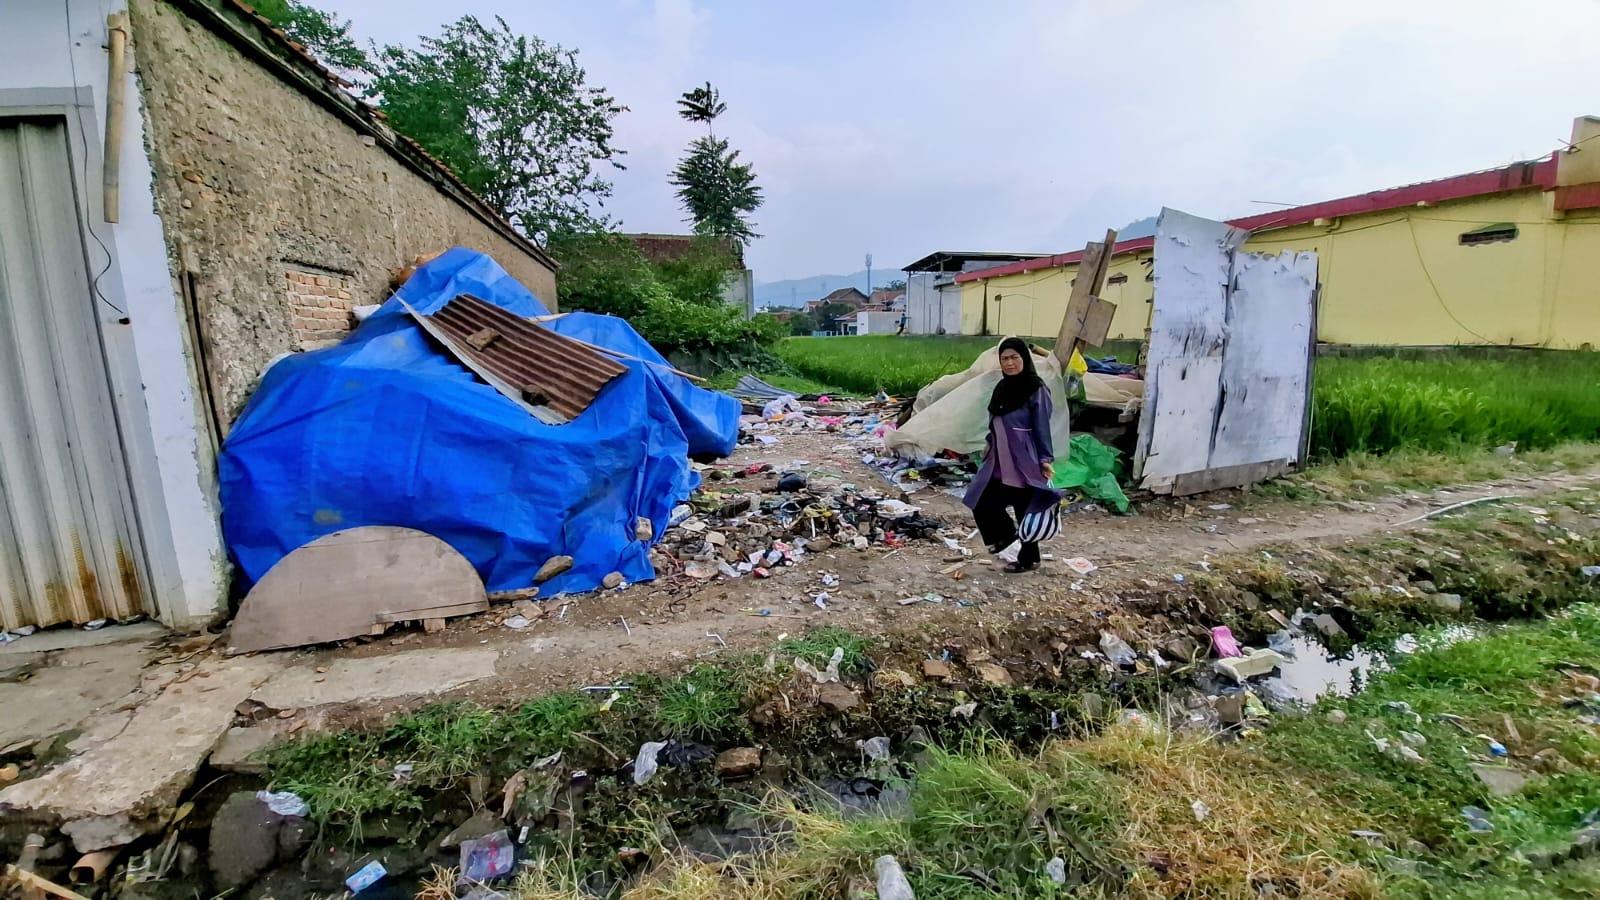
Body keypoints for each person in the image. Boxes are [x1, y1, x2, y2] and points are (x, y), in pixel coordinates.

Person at [962, 337, 1061, 573]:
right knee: (981, 500)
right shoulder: (1002, 388)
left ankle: (1029, 559)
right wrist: (988, 442)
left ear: (1024, 359)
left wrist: (1045, 459)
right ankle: (1005, 539)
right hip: (998, 457)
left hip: (1023, 457)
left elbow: (1042, 426)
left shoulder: (1035, 389)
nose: (1009, 363)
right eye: (1004, 358)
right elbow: (994, 420)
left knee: (1023, 506)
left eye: (1014, 357)